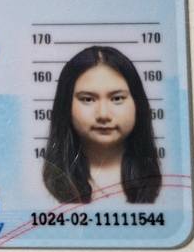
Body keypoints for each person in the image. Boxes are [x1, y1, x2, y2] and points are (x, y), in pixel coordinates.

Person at [42, 46, 161, 204]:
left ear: (137, 104)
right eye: (88, 99)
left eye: (117, 98)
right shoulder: (39, 189)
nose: (103, 115)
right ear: (66, 105)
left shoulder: (167, 187)